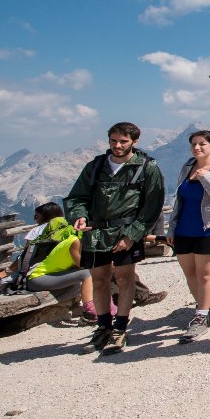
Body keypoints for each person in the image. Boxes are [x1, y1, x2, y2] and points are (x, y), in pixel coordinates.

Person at [64, 122, 166, 355]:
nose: (117, 146)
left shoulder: (146, 168)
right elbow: (76, 197)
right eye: (113, 141)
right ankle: (103, 326)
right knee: (99, 281)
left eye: (123, 142)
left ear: (134, 142)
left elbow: (152, 205)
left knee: (124, 279)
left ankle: (120, 327)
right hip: (95, 232)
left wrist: (132, 235)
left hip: (125, 232)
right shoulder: (96, 166)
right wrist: (78, 216)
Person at [167, 130, 210, 343]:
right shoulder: (188, 166)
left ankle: (201, 316)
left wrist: (207, 178)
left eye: (202, 144)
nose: (197, 148)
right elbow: (179, 199)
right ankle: (205, 308)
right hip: (184, 229)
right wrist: (171, 228)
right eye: (194, 144)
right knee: (190, 272)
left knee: (205, 273)